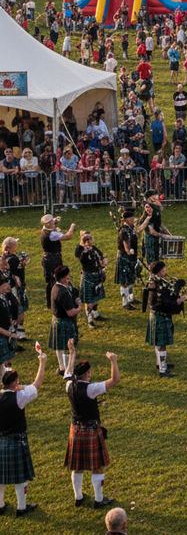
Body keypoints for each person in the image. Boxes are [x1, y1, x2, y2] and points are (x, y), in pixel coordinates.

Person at [63, 339, 120, 509]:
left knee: (77, 466)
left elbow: (68, 372)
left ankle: (78, 497)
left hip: (75, 429)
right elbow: (114, 380)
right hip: (90, 430)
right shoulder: (91, 389)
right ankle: (98, 499)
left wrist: (72, 353)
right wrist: (113, 361)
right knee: (97, 466)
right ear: (87, 374)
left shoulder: (69, 385)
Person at [0, 343, 47, 517]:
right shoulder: (20, 397)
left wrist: (15, 387)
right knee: (20, 477)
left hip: (1, 440)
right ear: (14, 383)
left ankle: (0, 505)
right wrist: (42, 362)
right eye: (18, 381)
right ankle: (21, 507)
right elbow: (37, 383)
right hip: (16, 440)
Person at [145, 260, 185, 377]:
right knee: (161, 344)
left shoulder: (157, 282)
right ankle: (162, 370)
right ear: (158, 272)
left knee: (159, 342)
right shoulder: (157, 285)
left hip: (157, 315)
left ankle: (160, 364)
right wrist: (179, 300)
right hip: (159, 316)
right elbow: (165, 303)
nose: (165, 271)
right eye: (163, 270)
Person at [49, 265, 81, 375]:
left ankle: (62, 367)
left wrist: (76, 297)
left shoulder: (57, 286)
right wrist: (79, 307)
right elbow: (70, 312)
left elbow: (73, 291)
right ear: (62, 278)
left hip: (58, 320)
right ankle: (67, 370)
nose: (69, 277)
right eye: (67, 276)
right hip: (64, 321)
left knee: (60, 346)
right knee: (67, 345)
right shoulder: (61, 292)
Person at [40, 212, 75, 308]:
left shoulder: (44, 229)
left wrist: (55, 221)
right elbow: (68, 236)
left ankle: (53, 302)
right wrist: (72, 227)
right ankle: (54, 302)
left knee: (52, 280)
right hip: (53, 260)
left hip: (49, 258)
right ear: (47, 224)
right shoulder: (52, 235)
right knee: (54, 280)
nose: (53, 221)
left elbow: (52, 225)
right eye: (51, 221)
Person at [74, 230, 108, 328]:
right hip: (88, 277)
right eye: (86, 239)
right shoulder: (81, 251)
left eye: (90, 238)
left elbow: (101, 256)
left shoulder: (94, 248)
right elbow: (77, 254)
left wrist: (104, 262)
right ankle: (90, 320)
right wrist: (82, 242)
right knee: (89, 301)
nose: (88, 241)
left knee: (96, 297)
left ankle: (96, 314)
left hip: (97, 275)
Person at [114, 207, 140, 311]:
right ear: (127, 219)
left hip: (131, 257)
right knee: (125, 281)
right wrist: (129, 251)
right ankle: (125, 302)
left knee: (130, 279)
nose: (133, 219)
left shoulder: (131, 228)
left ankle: (131, 298)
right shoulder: (124, 231)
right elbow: (126, 246)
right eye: (131, 218)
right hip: (125, 257)